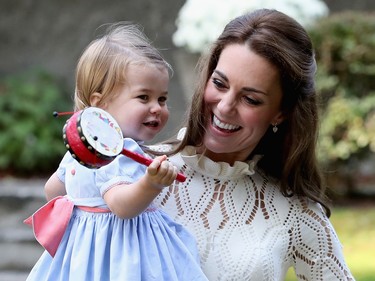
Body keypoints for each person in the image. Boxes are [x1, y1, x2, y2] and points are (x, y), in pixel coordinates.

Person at [152, 9, 355, 280]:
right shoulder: (133, 172)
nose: (224, 107)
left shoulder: (294, 210)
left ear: (281, 113)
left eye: (251, 99)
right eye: (220, 83)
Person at [25, 23, 207, 281]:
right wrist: (150, 184)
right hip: (120, 253)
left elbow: (53, 191)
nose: (156, 108)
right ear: (101, 103)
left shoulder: (83, 147)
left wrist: (83, 215)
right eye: (144, 97)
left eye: (162, 99)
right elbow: (121, 206)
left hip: (83, 254)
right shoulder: (118, 149)